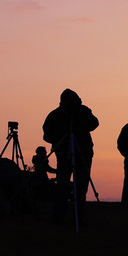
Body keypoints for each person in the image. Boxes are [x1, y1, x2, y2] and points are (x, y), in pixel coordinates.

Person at [42, 88, 99, 223]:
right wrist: (62, 135)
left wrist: (79, 123)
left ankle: (78, 217)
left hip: (83, 154)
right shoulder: (55, 115)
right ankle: (59, 215)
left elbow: (94, 123)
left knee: (81, 186)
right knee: (62, 185)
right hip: (64, 155)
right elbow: (47, 135)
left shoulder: (83, 111)